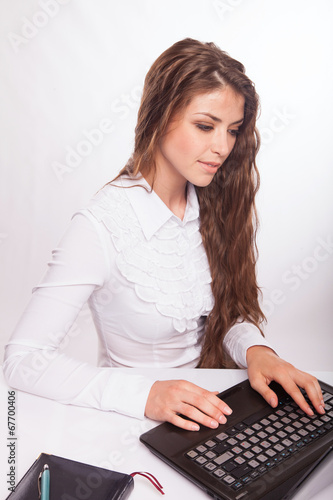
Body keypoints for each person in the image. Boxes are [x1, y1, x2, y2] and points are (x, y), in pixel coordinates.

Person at [3, 38, 325, 431]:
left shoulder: (214, 201)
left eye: (233, 130)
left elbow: (222, 313)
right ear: (159, 116)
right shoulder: (102, 225)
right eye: (205, 126)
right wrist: (145, 395)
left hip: (213, 409)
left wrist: (257, 350)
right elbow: (22, 360)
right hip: (133, 423)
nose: (222, 147)